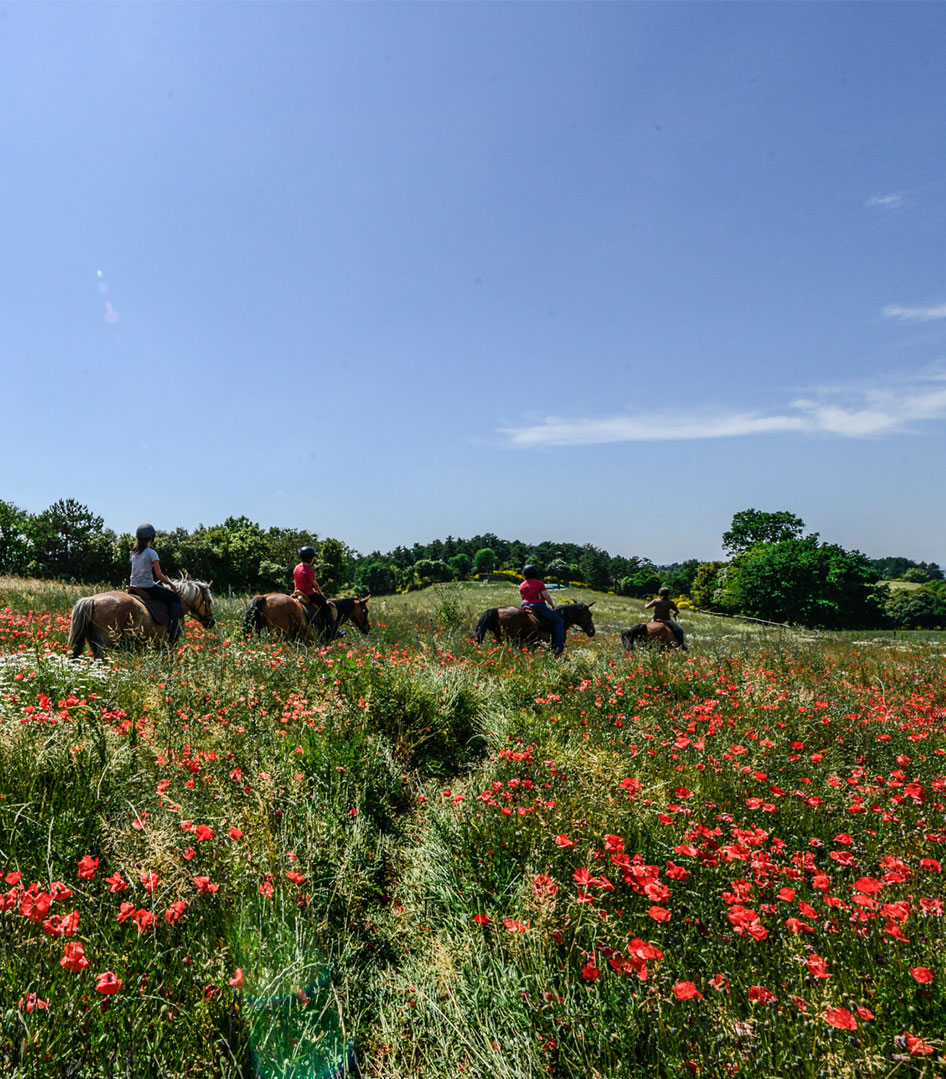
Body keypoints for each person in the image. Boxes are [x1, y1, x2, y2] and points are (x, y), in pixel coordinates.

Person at [129, 524, 183, 643]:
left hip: (133, 586)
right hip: (147, 587)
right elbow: (159, 575)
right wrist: (172, 585)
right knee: (175, 598)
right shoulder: (151, 552)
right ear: (151, 538)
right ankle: (174, 630)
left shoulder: (133, 553)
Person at [519, 565, 565, 656]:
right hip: (538, 606)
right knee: (559, 622)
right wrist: (552, 605)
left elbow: (523, 597)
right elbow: (545, 596)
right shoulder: (539, 583)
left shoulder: (522, 584)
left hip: (524, 605)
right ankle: (559, 645)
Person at [293, 546, 333, 633]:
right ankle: (331, 630)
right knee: (326, 607)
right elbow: (315, 585)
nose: (313, 560)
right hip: (309, 594)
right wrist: (321, 594)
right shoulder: (309, 571)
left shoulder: (296, 567)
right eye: (313, 558)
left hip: (298, 593)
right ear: (309, 559)